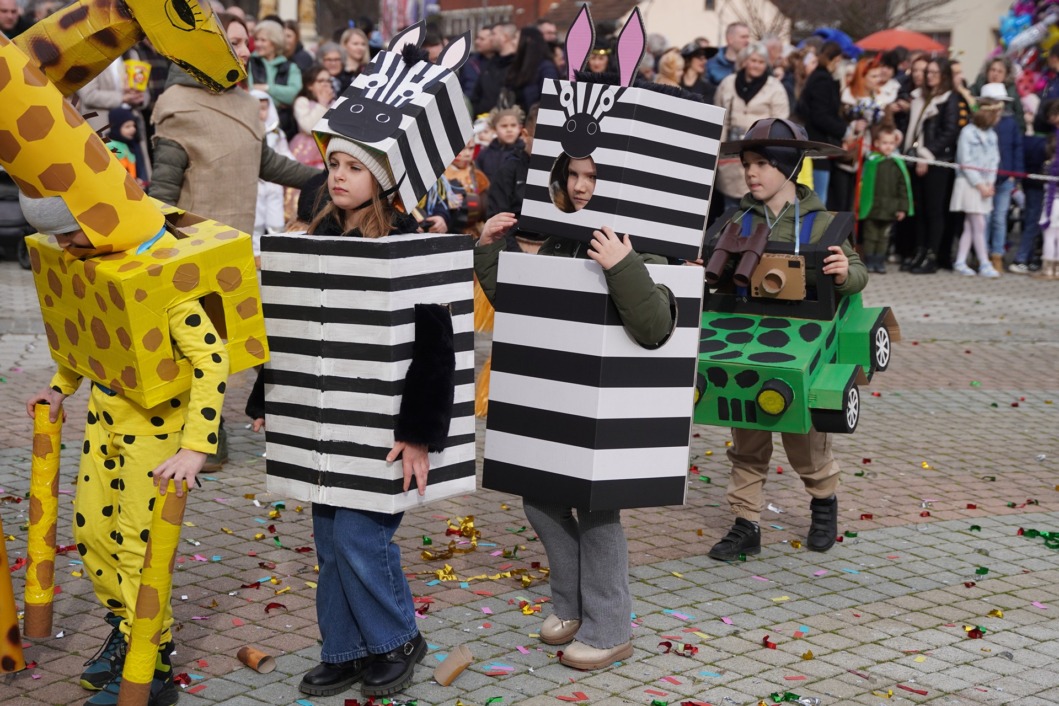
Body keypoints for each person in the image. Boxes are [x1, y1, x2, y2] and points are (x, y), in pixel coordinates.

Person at [22, 194, 229, 706]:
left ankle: (151, 663)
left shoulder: (160, 279)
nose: (63, 245)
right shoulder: (96, 266)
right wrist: (61, 387)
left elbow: (212, 359)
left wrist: (196, 448)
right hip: (104, 421)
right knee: (92, 534)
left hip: (157, 436)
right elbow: (90, 332)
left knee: (139, 548)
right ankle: (126, 629)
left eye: (70, 232)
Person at [475, 155, 675, 671]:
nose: (581, 187)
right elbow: (519, 304)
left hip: (609, 403)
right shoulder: (563, 236)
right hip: (557, 391)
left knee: (597, 511)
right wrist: (490, 249)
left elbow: (655, 325)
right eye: (574, 175)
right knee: (539, 498)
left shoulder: (649, 241)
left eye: (593, 176)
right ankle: (571, 606)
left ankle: (610, 628)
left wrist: (623, 264)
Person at [706, 118, 867, 562]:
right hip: (747, 346)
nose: (751, 173)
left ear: (789, 166)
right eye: (747, 164)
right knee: (747, 440)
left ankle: (823, 503)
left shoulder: (820, 223)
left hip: (802, 348)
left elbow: (857, 272)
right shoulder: (736, 220)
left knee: (806, 443)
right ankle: (746, 523)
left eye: (762, 164)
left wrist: (844, 273)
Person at [902, 57, 968, 274]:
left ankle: (932, 255)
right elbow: (914, 128)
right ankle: (920, 251)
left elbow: (950, 131)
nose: (929, 76)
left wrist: (927, 154)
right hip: (915, 157)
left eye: (934, 73)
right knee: (919, 209)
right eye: (927, 72)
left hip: (938, 161)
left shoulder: (950, 99)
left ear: (944, 76)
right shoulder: (920, 97)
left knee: (934, 210)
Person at [714, 43, 789, 210]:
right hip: (732, 155)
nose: (756, 65)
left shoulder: (775, 88)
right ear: (744, 61)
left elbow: (780, 123)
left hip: (762, 153)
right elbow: (720, 118)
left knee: (759, 206)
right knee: (731, 208)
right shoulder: (728, 83)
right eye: (753, 60)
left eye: (761, 62)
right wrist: (719, 150)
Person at [951, 86, 1004, 278]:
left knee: (970, 225)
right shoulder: (968, 133)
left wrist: (989, 183)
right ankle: (984, 262)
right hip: (969, 184)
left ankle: (960, 261)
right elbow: (965, 161)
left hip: (984, 186)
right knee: (979, 224)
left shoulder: (992, 134)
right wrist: (979, 184)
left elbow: (994, 160)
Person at [858, 123, 912, 273]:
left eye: (891, 143)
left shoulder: (897, 164)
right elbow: (863, 185)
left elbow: (903, 188)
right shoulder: (871, 162)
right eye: (885, 143)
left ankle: (880, 261)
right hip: (872, 207)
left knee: (884, 236)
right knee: (870, 235)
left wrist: (902, 208)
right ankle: (870, 261)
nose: (888, 146)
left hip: (890, 208)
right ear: (877, 143)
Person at [798, 41, 847, 207]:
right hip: (818, 144)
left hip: (818, 143)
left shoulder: (819, 78)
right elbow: (821, 115)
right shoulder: (822, 80)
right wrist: (844, 130)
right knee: (818, 198)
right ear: (836, 59)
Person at [1011, 94, 1047, 274]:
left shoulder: (1045, 137)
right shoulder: (1022, 134)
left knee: (1037, 221)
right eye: (1024, 111)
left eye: (1030, 111)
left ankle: (1033, 256)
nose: (1027, 114)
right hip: (1031, 183)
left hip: (1042, 183)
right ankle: (1024, 256)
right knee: (1031, 219)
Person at [249, 19, 302, 138]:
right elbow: (251, 92)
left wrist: (267, 88)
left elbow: (294, 94)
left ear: (275, 42)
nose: (258, 44)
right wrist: (281, 99)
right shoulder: (250, 63)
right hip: (256, 125)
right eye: (256, 39)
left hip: (285, 127)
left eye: (263, 40)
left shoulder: (291, 67)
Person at [290, 64, 334, 172]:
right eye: (321, 81)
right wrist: (322, 104)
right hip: (306, 149)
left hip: (329, 147)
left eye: (328, 81)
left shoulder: (334, 103)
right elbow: (309, 127)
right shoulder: (302, 102)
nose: (325, 84)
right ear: (310, 85)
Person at [504, 25, 558, 112]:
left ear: (528, 40)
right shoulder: (519, 66)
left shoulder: (546, 68)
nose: (512, 42)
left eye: (515, 38)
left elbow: (550, 101)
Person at [445, 139, 491, 236]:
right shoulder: (442, 177)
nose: (467, 154)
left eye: (471, 148)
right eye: (462, 149)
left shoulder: (478, 176)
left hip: (474, 232)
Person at [471, 22, 517, 115]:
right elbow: (477, 93)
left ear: (505, 37)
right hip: (482, 119)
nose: (491, 38)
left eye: (494, 34)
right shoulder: (489, 64)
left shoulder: (517, 66)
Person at [475, 106, 525, 181]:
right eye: (504, 126)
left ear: (520, 128)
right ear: (494, 129)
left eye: (513, 125)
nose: (509, 130)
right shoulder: (484, 155)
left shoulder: (525, 153)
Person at [105, 107, 147, 185]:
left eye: (134, 125)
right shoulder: (110, 147)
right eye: (127, 126)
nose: (133, 129)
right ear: (116, 128)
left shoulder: (129, 144)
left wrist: (136, 180)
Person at [707, 22, 751, 86]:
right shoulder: (711, 63)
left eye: (747, 37)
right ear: (730, 39)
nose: (747, 41)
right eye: (743, 37)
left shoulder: (753, 62)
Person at [461, 25, 494, 98]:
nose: (477, 42)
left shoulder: (501, 64)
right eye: (477, 38)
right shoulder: (470, 63)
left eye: (482, 39)